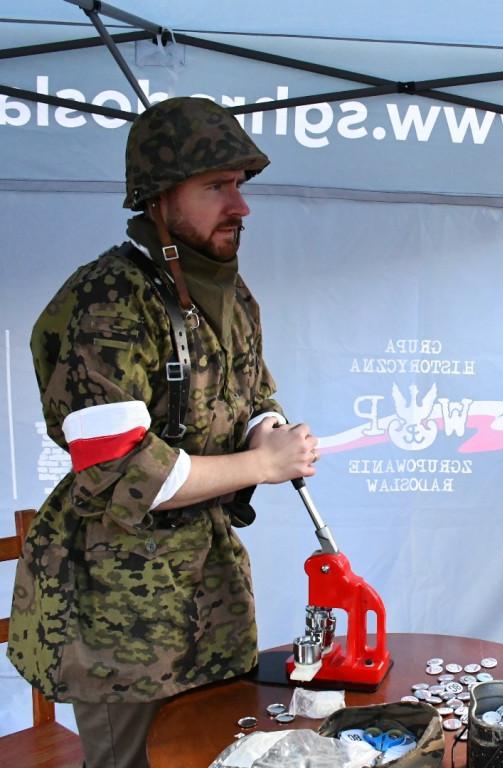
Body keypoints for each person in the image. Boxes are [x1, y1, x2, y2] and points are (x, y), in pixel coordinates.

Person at [6, 97, 321, 768]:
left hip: (207, 598)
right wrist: (262, 466)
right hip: (116, 613)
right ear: (158, 199)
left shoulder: (231, 297)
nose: (241, 205)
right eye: (216, 186)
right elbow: (124, 470)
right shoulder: (107, 302)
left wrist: (269, 430)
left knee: (211, 755)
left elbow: (251, 392)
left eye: (239, 184)